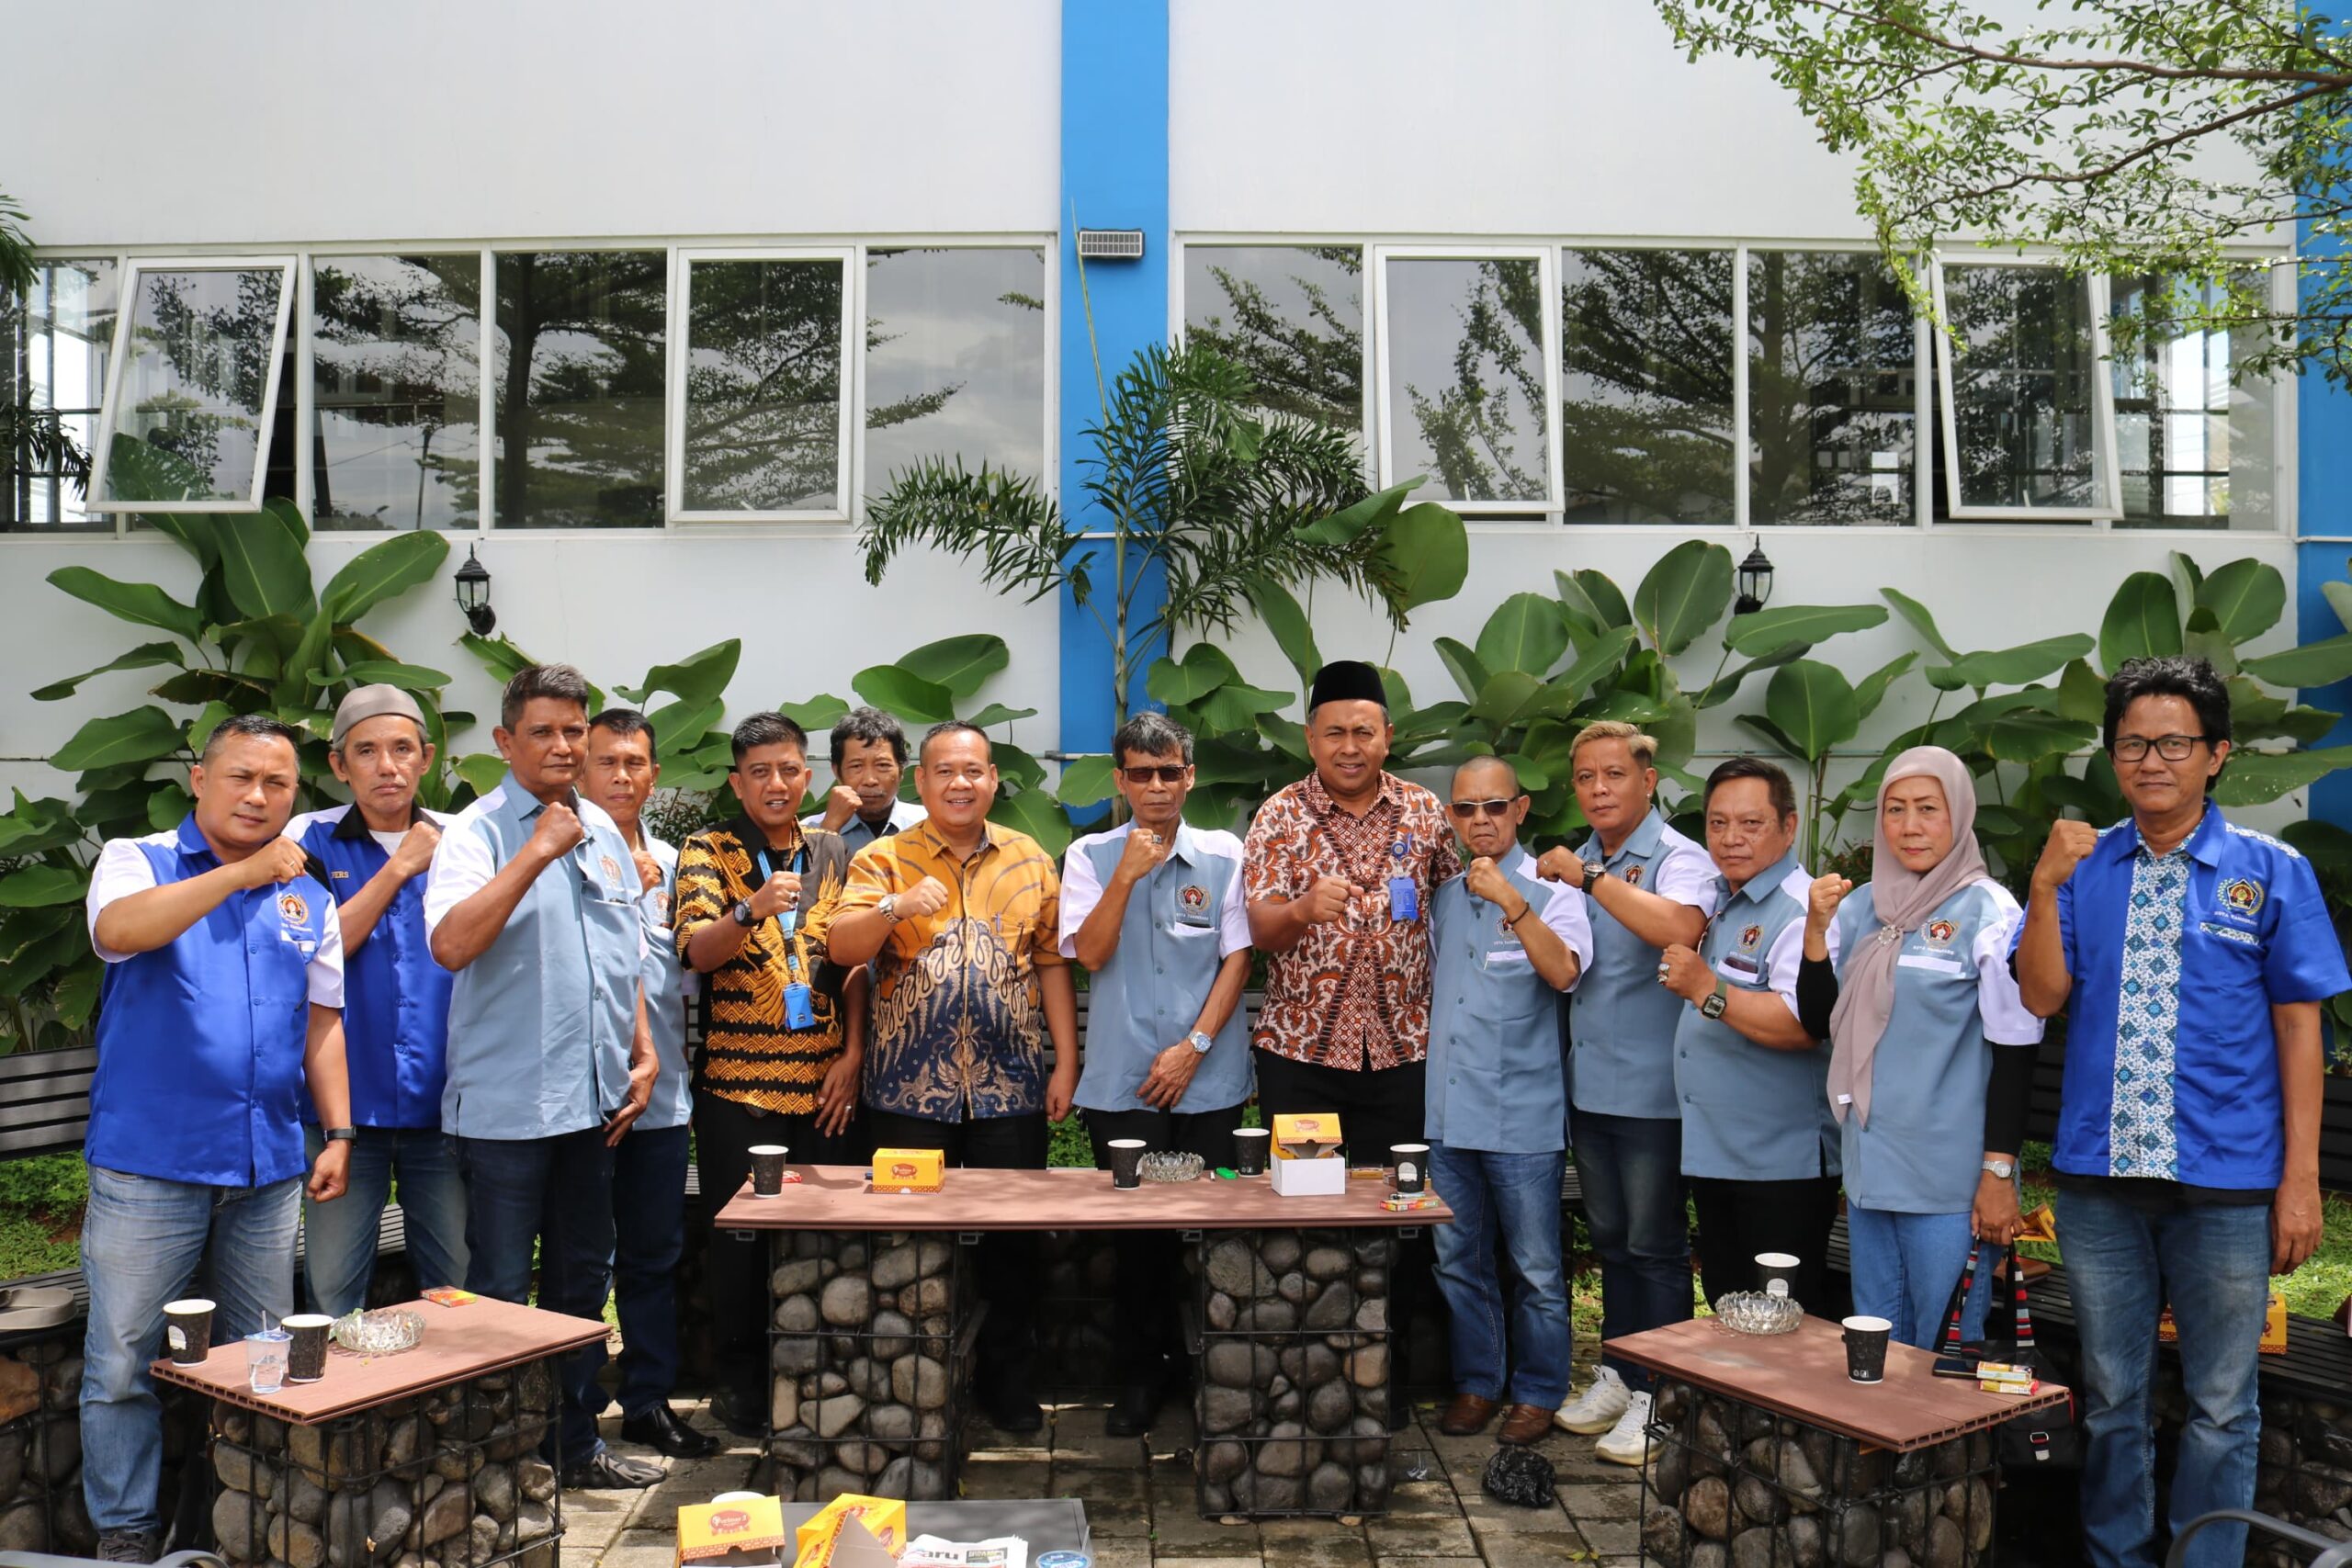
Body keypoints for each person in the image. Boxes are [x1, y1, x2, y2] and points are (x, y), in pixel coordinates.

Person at [2012, 656, 2349, 1568]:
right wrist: (2041, 886)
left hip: (2227, 1185)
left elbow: (2299, 1031)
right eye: (2132, 744)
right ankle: (2116, 1557)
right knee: (2112, 1396)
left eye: (2172, 743)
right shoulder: (2084, 867)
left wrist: (2300, 1182)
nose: (2151, 760)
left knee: (2222, 1405)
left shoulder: (2269, 872)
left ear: (2216, 754)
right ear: (2112, 754)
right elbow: (2040, 996)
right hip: (2099, 1185)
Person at [79, 714, 354, 1564]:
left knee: (260, 1357)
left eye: (278, 783)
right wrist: (240, 873)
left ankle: (247, 1518)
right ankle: (126, 1530)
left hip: (266, 1167)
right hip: (150, 1166)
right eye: (241, 776)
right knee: (123, 1360)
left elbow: (322, 1021)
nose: (259, 795)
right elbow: (120, 931)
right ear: (199, 778)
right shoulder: (139, 857)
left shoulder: (309, 895)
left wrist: (338, 1130)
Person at [424, 664, 662, 1492]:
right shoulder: (476, 832)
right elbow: (451, 944)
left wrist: (643, 1047)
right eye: (543, 732)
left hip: (593, 1105)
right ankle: (494, 1460)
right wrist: (534, 852)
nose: (563, 745)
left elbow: (625, 953)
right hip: (505, 1112)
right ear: (504, 741)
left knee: (580, 1283)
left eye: (573, 730)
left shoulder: (602, 827)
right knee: (497, 1289)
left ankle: (572, 1445)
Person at [827, 720, 1079, 1433]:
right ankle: (911, 1387)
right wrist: (894, 907)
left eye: (973, 771)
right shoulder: (883, 858)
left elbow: (1052, 962)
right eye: (945, 771)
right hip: (907, 1096)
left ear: (993, 779)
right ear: (922, 781)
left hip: (1010, 1091)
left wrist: (1067, 1060)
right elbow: (841, 947)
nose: (960, 783)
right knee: (909, 1245)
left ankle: (1006, 1384)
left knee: (1012, 1245)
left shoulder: (1030, 859)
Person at [1244, 659, 1458, 1428]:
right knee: (1306, 1214)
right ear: (1310, 738)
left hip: (1405, 1058)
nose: (1349, 745)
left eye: (1363, 731)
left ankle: (1385, 1376)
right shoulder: (1278, 816)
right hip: (1303, 1059)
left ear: (1387, 736)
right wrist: (1302, 908)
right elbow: (1260, 929)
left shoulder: (1426, 813)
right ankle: (1307, 1374)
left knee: (1400, 1216)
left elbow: (1459, 906)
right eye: (1334, 731)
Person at [1792, 746, 2040, 1350]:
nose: (1909, 826)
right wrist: (1816, 933)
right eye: (1895, 809)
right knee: (1876, 1341)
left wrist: (1998, 1172)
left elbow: (2016, 1050)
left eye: (1929, 808)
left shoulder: (1990, 911)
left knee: (1947, 1348)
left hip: (1948, 1179)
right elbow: (1819, 1020)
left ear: (1959, 813)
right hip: (1871, 1167)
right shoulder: (1861, 907)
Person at [1058, 713, 1252, 1436]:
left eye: (1170, 771)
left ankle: (1214, 1379)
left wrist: (1194, 1046)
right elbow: (1090, 955)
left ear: (1189, 775)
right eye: (1141, 773)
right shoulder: (1089, 856)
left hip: (1209, 1078)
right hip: (1125, 1083)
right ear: (1120, 779)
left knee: (1211, 1233)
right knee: (1137, 1238)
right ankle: (1141, 1378)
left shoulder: (1226, 853)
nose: (1157, 786)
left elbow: (1238, 957)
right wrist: (1127, 876)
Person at [1537, 720, 1719, 1460]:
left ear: (1648, 780)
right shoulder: (1580, 856)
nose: (1599, 788)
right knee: (1612, 1240)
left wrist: (1589, 880)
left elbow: (1680, 927)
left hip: (1655, 1093)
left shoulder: (1678, 857)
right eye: (1586, 777)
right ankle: (1620, 1372)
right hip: (1590, 1086)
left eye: (1614, 774)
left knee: (1655, 1245)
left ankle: (1661, 1394)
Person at [674, 711, 858, 1437]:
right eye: (759, 772)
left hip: (825, 1090)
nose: (775, 783)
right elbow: (696, 952)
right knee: (742, 1243)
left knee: (824, 1241)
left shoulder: (832, 850)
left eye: (787, 770)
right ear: (737, 782)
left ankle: (820, 1375)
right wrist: (750, 909)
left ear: (807, 776)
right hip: (740, 1091)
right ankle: (742, 1381)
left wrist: (852, 1056)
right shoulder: (707, 849)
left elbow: (851, 964)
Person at [285, 686, 467, 1317]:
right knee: (332, 1287)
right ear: (339, 765)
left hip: (445, 1105)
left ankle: (453, 1385)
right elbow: (314, 950)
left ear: (426, 758)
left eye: (401, 749)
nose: (387, 766)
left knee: (456, 1282)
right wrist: (397, 868)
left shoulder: (463, 839)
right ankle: (335, 1385)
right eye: (366, 751)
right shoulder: (306, 838)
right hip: (343, 1115)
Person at [1426, 757, 1589, 1450]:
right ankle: (1478, 1382)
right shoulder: (1443, 897)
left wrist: (1512, 902)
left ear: (1520, 809)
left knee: (1536, 1269)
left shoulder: (1553, 891)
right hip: (1448, 1112)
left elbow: (1565, 972)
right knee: (1457, 1259)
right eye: (1465, 809)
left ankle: (1539, 1391)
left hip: (1522, 1113)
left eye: (1494, 806)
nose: (1481, 820)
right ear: (1452, 817)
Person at [1656, 757, 1841, 1316]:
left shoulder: (1801, 911)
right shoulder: (1722, 898)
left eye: (1751, 823)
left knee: (1780, 1317)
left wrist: (1707, 990)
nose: (1731, 838)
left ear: (1789, 827)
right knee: (1727, 1302)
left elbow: (1804, 1026)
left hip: (1779, 1163)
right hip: (1719, 1152)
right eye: (1718, 823)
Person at [580, 708, 718, 1460]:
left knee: (652, 1255)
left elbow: (689, 975)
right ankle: (571, 1409)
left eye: (635, 762)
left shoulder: (678, 862)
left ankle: (647, 1401)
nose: (621, 775)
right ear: (582, 770)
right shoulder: (562, 853)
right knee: (577, 1262)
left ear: (655, 774)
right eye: (606, 761)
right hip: (578, 1099)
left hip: (661, 1098)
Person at [805, 706, 927, 853]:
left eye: (882, 765)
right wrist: (829, 829)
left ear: (901, 769)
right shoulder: (809, 830)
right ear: (837, 772)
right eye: (856, 766)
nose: (870, 780)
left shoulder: (928, 824)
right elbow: (806, 869)